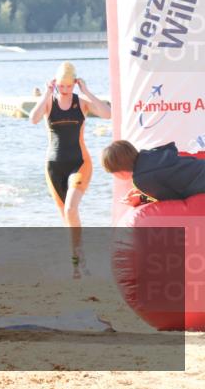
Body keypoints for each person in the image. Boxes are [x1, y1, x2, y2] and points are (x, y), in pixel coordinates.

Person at [29, 61, 111, 277]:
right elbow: (33, 119)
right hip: (54, 167)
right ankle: (78, 261)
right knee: (67, 220)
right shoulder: (49, 103)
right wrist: (46, 94)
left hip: (79, 163)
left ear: (74, 83)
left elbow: (107, 114)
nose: (65, 90)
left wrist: (87, 91)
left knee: (70, 209)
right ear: (55, 83)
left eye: (69, 86)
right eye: (61, 86)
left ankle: (78, 259)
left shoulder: (81, 102)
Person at [101, 140, 205, 204]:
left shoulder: (140, 179)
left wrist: (142, 198)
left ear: (119, 173)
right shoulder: (148, 155)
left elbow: (171, 198)